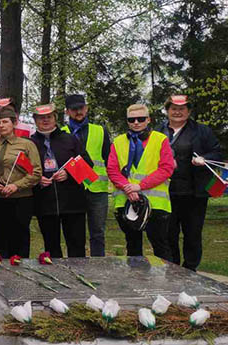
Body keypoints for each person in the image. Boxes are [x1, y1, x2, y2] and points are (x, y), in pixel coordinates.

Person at [158, 94, 223, 271]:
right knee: (168, 233)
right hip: (166, 192)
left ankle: (190, 269)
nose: (177, 112)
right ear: (167, 110)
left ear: (189, 111)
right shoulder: (158, 131)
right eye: (173, 109)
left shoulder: (202, 131)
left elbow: (217, 153)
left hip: (194, 193)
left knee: (192, 233)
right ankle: (173, 268)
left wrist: (205, 158)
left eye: (182, 109)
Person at [107, 103, 174, 260]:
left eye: (141, 119)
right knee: (132, 245)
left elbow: (166, 168)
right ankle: (136, 279)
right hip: (126, 201)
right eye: (132, 119)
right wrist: (127, 188)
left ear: (148, 119)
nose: (136, 122)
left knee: (161, 246)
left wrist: (139, 186)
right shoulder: (118, 142)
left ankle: (167, 282)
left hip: (156, 203)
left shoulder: (160, 139)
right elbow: (112, 170)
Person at [30, 104, 92, 258]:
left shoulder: (70, 139)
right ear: (35, 120)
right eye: (41, 118)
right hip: (45, 203)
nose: (45, 120)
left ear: (55, 118)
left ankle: (78, 278)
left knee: (77, 246)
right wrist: (36, 179)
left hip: (73, 203)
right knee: (51, 247)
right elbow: (23, 170)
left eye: (49, 117)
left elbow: (87, 164)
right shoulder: (29, 143)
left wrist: (69, 173)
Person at [0, 106, 41, 259]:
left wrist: (16, 185)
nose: (1, 125)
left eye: (5, 122)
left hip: (21, 199)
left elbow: (36, 172)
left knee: (19, 238)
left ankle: (20, 272)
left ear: (14, 123)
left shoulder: (26, 145)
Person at [62, 94, 112, 257]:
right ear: (67, 111)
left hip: (97, 189)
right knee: (75, 234)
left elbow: (109, 159)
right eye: (74, 109)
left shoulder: (100, 131)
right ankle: (79, 265)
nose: (78, 112)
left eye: (81, 108)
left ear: (87, 108)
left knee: (98, 233)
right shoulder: (61, 133)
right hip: (72, 189)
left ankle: (99, 266)